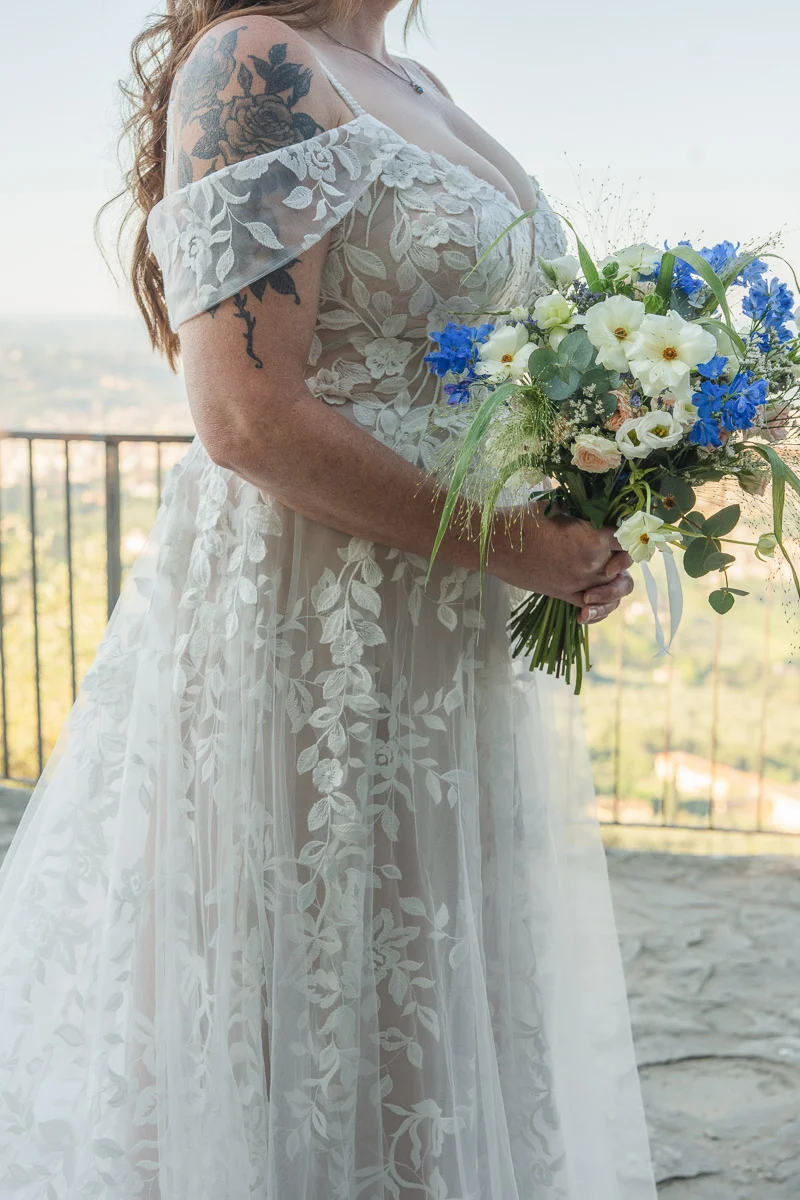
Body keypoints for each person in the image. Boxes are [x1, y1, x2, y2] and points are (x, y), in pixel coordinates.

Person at [0, 2, 656, 1196]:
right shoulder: (255, 61)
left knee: (427, 974)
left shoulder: (418, 82)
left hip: (446, 633)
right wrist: (508, 542)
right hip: (310, 620)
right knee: (287, 977)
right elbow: (246, 416)